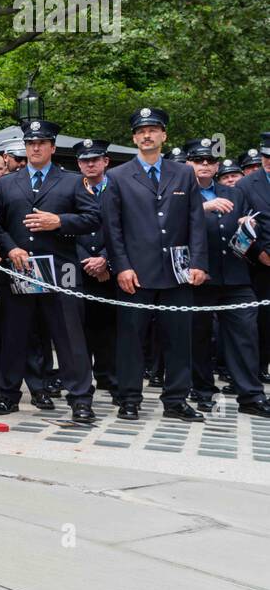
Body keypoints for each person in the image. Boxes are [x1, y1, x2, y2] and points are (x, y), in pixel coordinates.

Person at [100, 108, 208, 421]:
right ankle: (130, 398)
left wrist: (199, 262)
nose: (147, 135)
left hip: (178, 272)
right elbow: (113, 227)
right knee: (131, 340)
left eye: (153, 130)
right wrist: (121, 266)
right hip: (136, 272)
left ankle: (176, 400)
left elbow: (195, 222)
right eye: (141, 131)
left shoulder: (184, 173)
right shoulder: (118, 177)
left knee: (179, 339)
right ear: (134, 138)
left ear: (164, 135)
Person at [0, 120, 99, 421]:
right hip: (20, 268)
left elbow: (92, 218)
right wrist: (10, 248)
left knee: (69, 336)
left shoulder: (73, 181)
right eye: (30, 143)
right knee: (14, 333)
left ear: (52, 147)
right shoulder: (8, 183)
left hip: (61, 270)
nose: (35, 147)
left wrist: (60, 222)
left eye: (41, 142)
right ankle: (7, 394)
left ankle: (80, 398)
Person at [185, 137, 270, 417]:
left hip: (235, 274)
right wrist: (203, 208)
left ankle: (251, 395)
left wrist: (249, 225)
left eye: (210, 160)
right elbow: (167, 226)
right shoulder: (179, 193)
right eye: (199, 160)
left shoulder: (233, 192)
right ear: (189, 164)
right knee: (199, 337)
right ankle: (203, 391)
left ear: (217, 165)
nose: (205, 165)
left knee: (245, 334)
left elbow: (247, 223)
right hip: (199, 275)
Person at [74, 139, 117, 398]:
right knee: (78, 327)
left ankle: (109, 377)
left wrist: (104, 259)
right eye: (85, 160)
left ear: (105, 162)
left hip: (110, 269)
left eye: (95, 159)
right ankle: (81, 379)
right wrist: (86, 262)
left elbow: (128, 229)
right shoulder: (70, 188)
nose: (90, 164)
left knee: (110, 327)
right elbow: (66, 231)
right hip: (78, 269)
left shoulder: (118, 188)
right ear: (78, 164)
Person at [236, 133, 270, 383]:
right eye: (265, 156)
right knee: (261, 321)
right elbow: (240, 224)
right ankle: (258, 368)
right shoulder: (246, 185)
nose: (267, 161)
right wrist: (259, 252)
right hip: (262, 263)